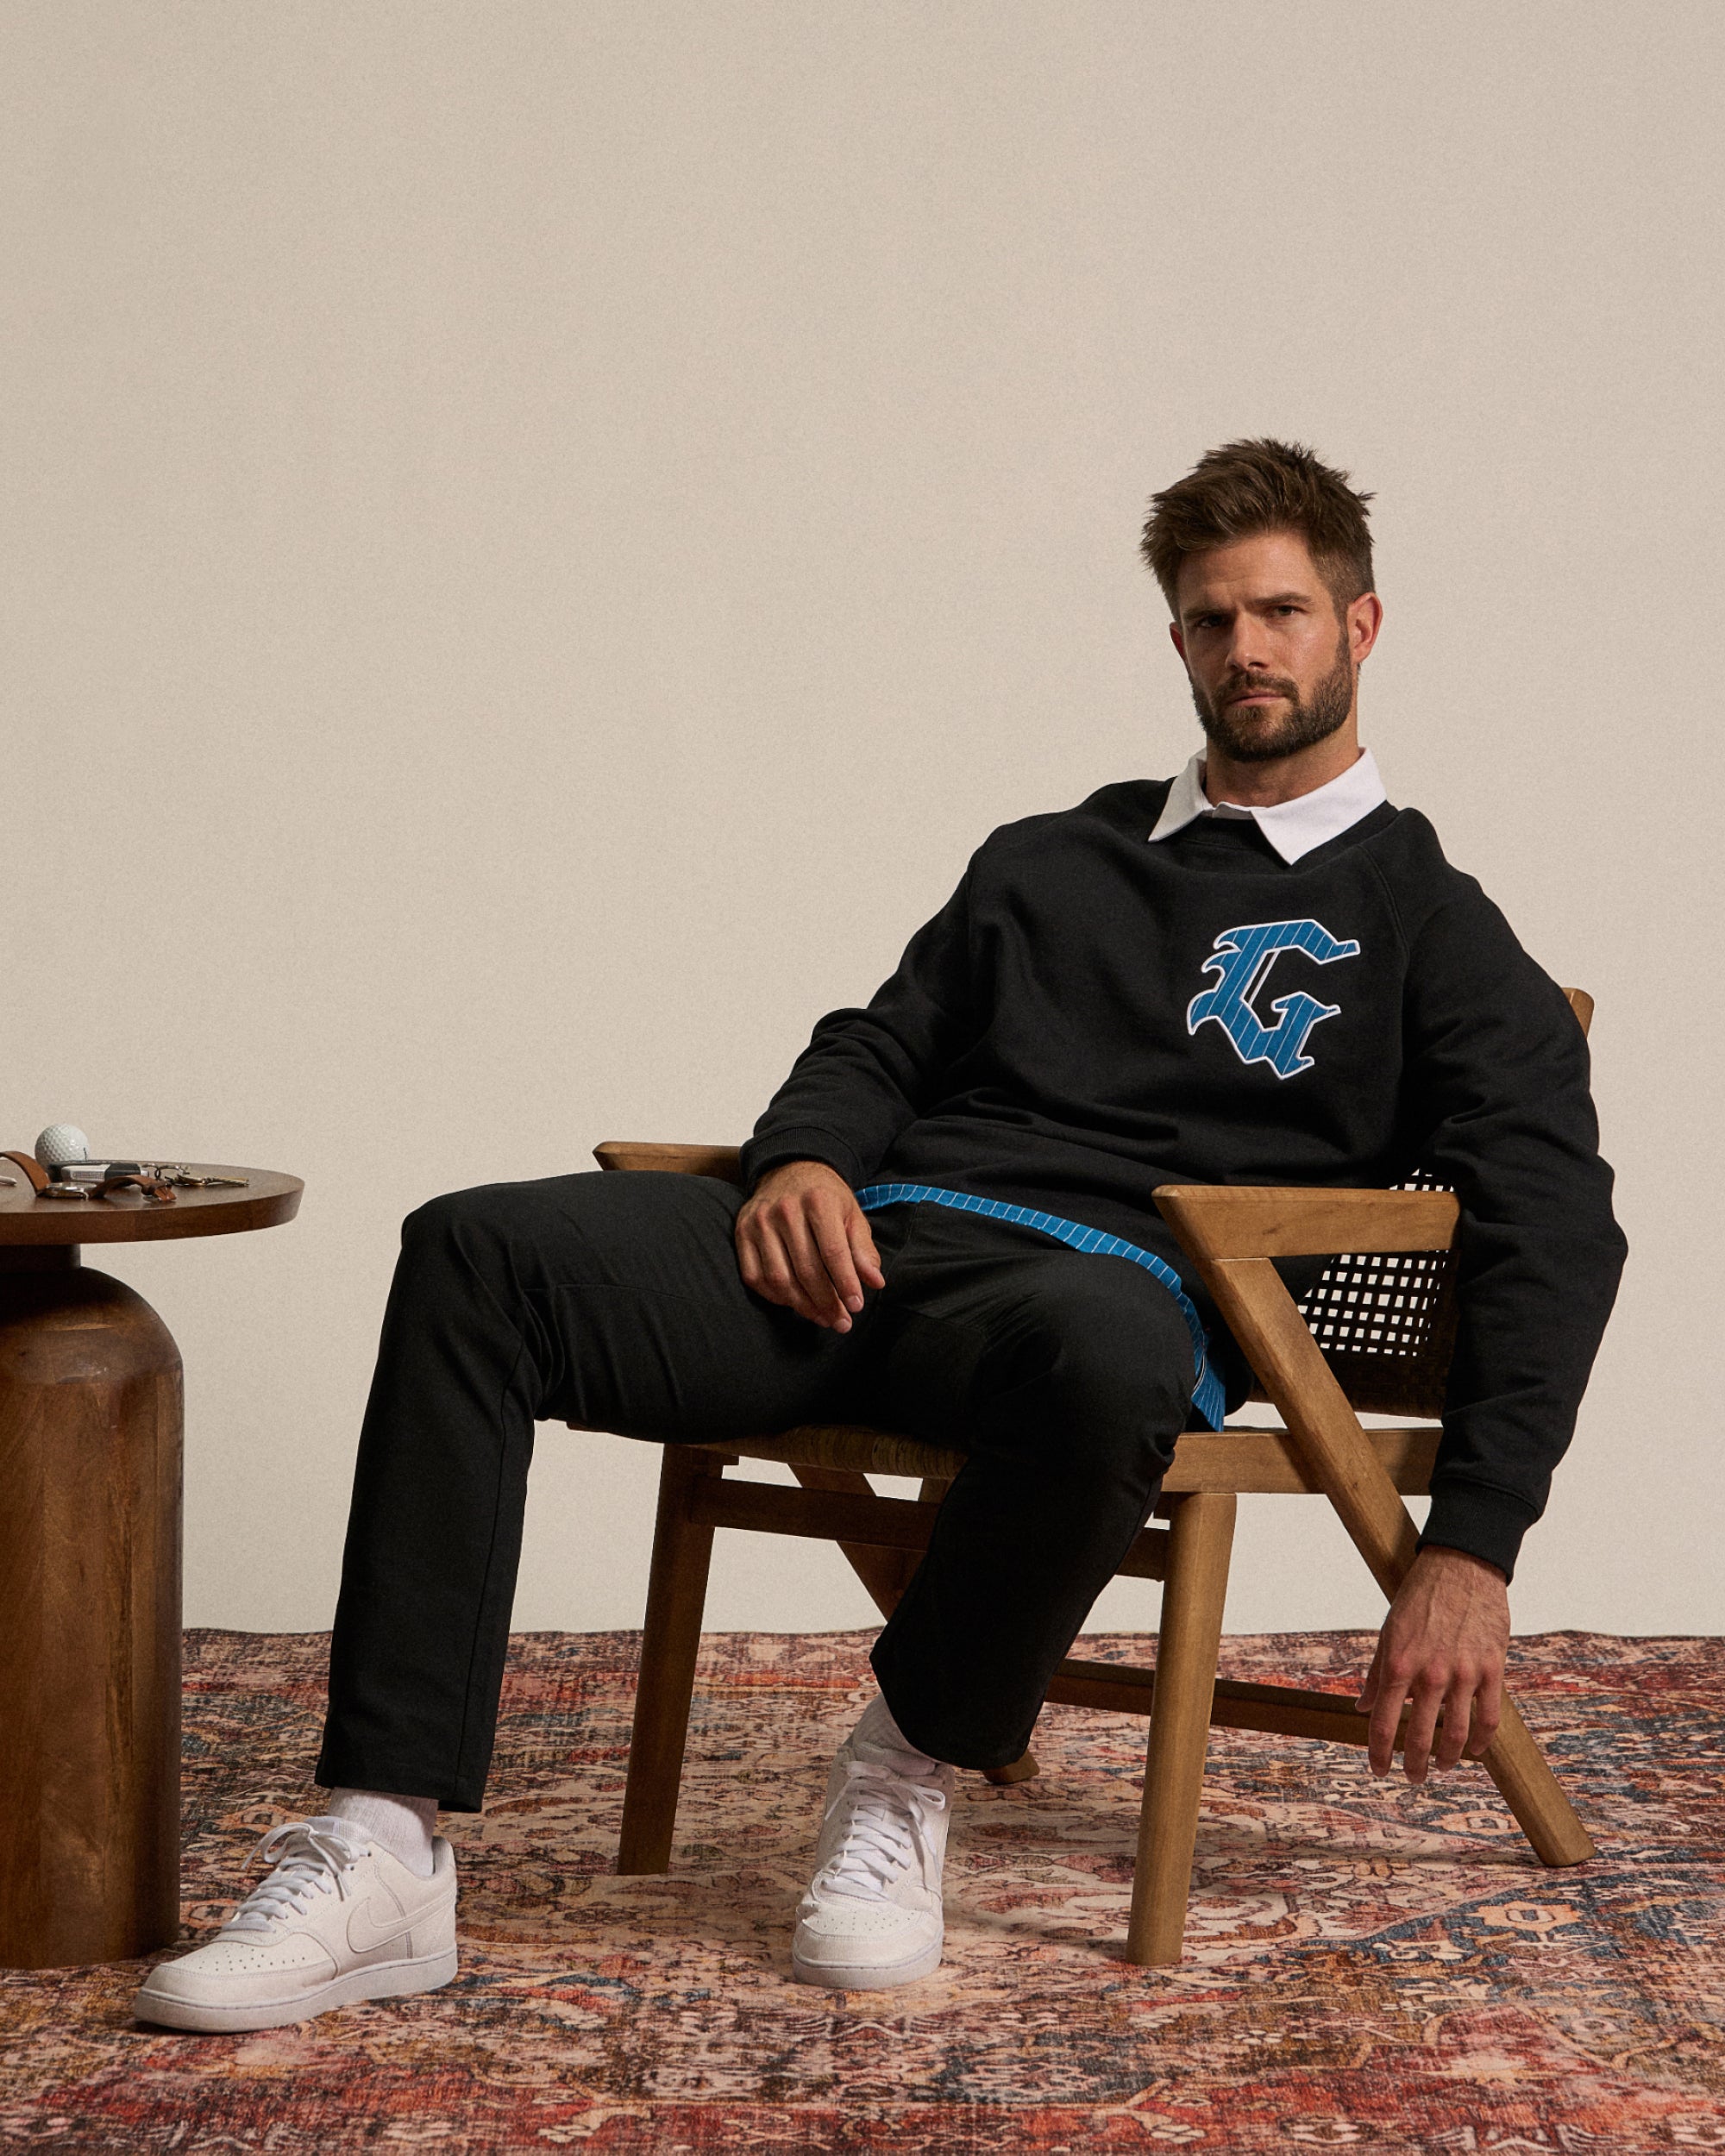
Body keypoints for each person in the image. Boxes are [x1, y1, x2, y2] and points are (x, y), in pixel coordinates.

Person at [135, 438, 1626, 2029]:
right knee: (474, 1251)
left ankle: (910, 1757)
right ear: (1174, 639)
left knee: (1120, 1343)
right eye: (1210, 620)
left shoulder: (1435, 925)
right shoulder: (1050, 857)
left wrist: (1474, 1538)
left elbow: (1555, 1218)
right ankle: (382, 1847)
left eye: (1279, 613)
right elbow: (880, 1042)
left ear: (1361, 626)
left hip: (1080, 1319)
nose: (1245, 650)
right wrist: (802, 1162)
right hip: (855, 1258)